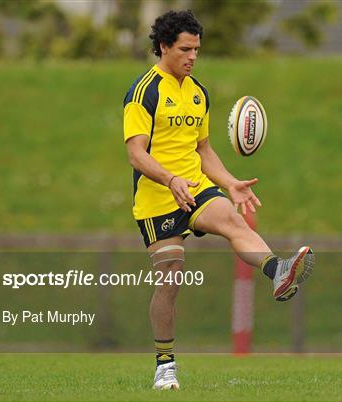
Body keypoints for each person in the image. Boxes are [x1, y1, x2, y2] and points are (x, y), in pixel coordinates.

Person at [123, 10, 314, 390]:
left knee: (233, 219)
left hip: (194, 187)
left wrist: (229, 183)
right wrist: (170, 178)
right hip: (157, 197)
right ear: (163, 46)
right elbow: (136, 154)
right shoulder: (144, 91)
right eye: (185, 49)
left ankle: (277, 270)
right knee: (170, 278)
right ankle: (165, 366)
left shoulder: (198, 93)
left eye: (196, 49)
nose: (193, 56)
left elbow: (204, 149)